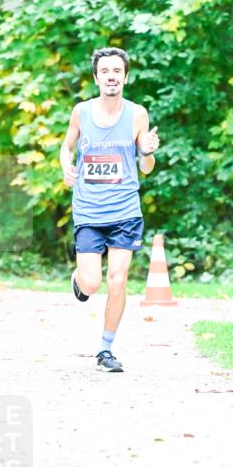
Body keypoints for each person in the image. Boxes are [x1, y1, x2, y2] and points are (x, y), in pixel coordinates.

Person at [60, 47, 159, 372]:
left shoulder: (137, 114)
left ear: (126, 77)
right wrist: (65, 166)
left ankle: (105, 349)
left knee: (118, 281)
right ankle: (79, 280)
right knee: (92, 284)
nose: (112, 76)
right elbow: (67, 146)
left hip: (124, 210)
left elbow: (146, 167)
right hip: (89, 211)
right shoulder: (81, 112)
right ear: (97, 77)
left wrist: (145, 151)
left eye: (117, 71)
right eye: (105, 71)